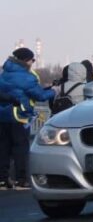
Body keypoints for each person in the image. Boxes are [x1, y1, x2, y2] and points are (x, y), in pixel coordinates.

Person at [0, 48, 55, 190]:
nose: (33, 62)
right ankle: (21, 180)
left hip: (2, 116)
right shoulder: (27, 77)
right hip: (19, 116)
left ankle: (2, 180)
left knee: (3, 148)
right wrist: (54, 90)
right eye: (32, 60)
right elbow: (40, 96)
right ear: (26, 60)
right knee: (20, 148)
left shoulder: (4, 74)